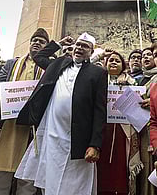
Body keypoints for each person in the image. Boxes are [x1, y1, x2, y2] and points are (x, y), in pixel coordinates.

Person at [14, 33, 107, 195]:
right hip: (51, 133)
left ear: (91, 52)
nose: (79, 48)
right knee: (48, 177)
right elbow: (39, 56)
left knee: (74, 183)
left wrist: (95, 144)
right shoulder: (58, 64)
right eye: (78, 44)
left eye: (85, 46)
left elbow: (100, 111)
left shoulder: (98, 73)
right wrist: (58, 43)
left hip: (78, 138)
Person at [0, 28, 49, 195]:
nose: (36, 43)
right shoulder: (12, 63)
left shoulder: (51, 66)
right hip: (11, 124)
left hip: (35, 125)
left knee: (28, 175)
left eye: (41, 41)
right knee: (2, 168)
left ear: (47, 47)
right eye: (34, 40)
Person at [97, 50, 142, 195]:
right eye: (111, 60)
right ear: (105, 63)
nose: (114, 62)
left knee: (120, 166)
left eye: (117, 60)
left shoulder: (133, 83)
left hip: (123, 131)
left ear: (123, 65)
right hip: (103, 129)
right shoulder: (98, 80)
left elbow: (139, 106)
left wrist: (126, 88)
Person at [136, 47, 157, 195]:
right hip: (142, 129)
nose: (145, 58)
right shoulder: (139, 80)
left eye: (149, 55)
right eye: (143, 56)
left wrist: (154, 103)